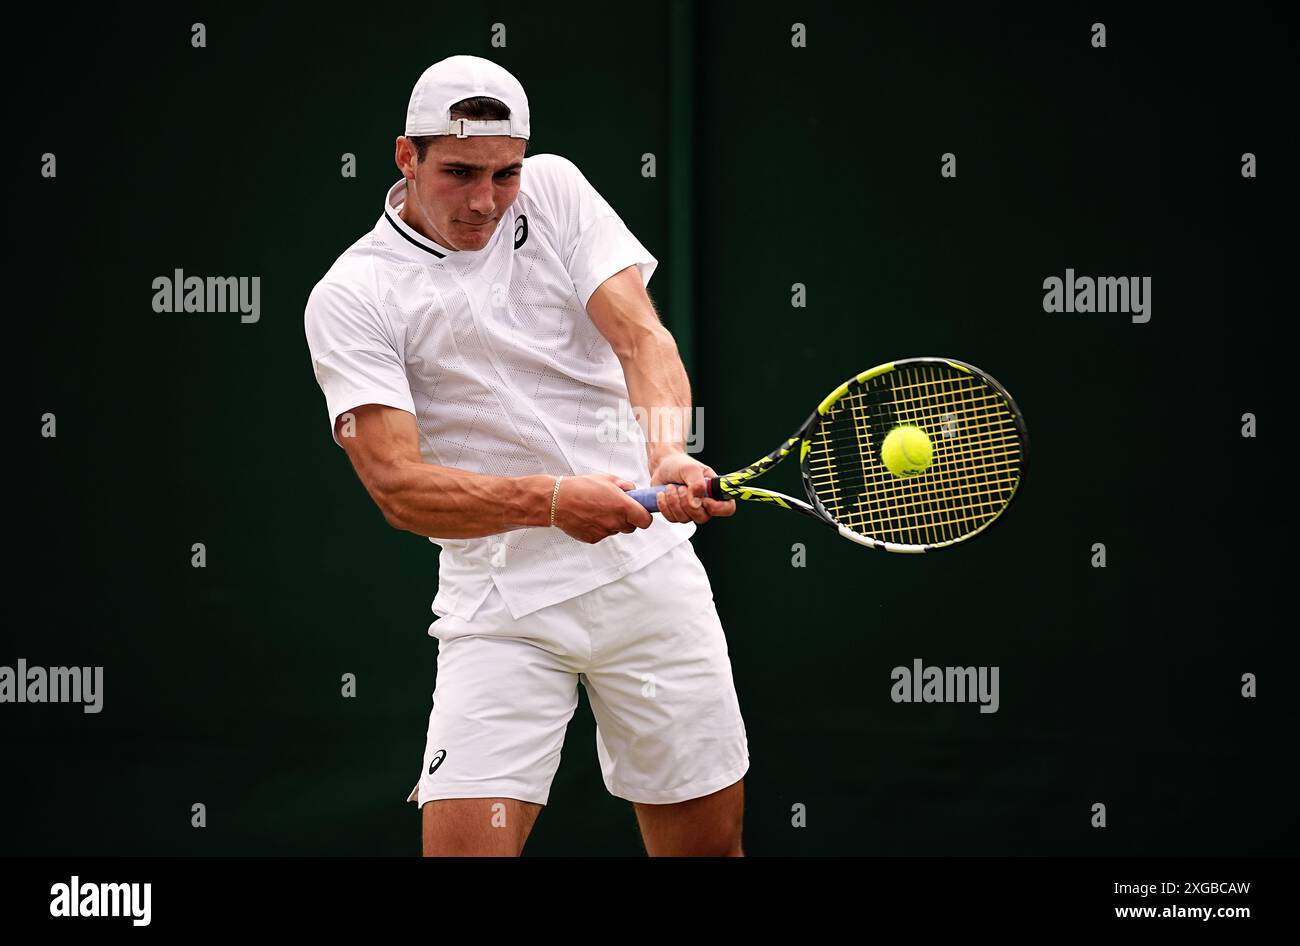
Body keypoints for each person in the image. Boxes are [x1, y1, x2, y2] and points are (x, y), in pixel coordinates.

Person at [304, 55, 748, 856]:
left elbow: (641, 336)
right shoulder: (353, 295)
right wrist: (550, 502)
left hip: (650, 585)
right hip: (501, 611)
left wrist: (668, 456)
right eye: (459, 173)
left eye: (504, 174)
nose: (484, 200)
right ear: (406, 158)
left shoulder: (556, 190)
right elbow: (398, 488)